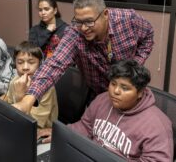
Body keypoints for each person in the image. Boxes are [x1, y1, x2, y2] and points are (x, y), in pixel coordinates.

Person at [13, 0, 154, 114]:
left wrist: (135, 64)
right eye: (79, 21)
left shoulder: (128, 20)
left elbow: (148, 34)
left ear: (105, 14)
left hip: (127, 92)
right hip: (97, 93)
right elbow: (54, 64)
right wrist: (28, 100)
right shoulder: (75, 33)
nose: (84, 28)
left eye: (89, 21)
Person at [37, 60, 173, 161]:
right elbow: (85, 126)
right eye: (113, 84)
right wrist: (62, 132)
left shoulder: (158, 125)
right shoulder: (102, 99)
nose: (116, 91)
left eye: (125, 88)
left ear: (140, 93)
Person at [0, 41, 58, 129]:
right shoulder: (15, 81)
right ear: (14, 64)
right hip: (17, 123)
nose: (25, 67)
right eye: (20, 62)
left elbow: (34, 122)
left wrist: (20, 96)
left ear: (40, 64)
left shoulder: (46, 87)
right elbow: (9, 103)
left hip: (40, 129)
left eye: (31, 62)